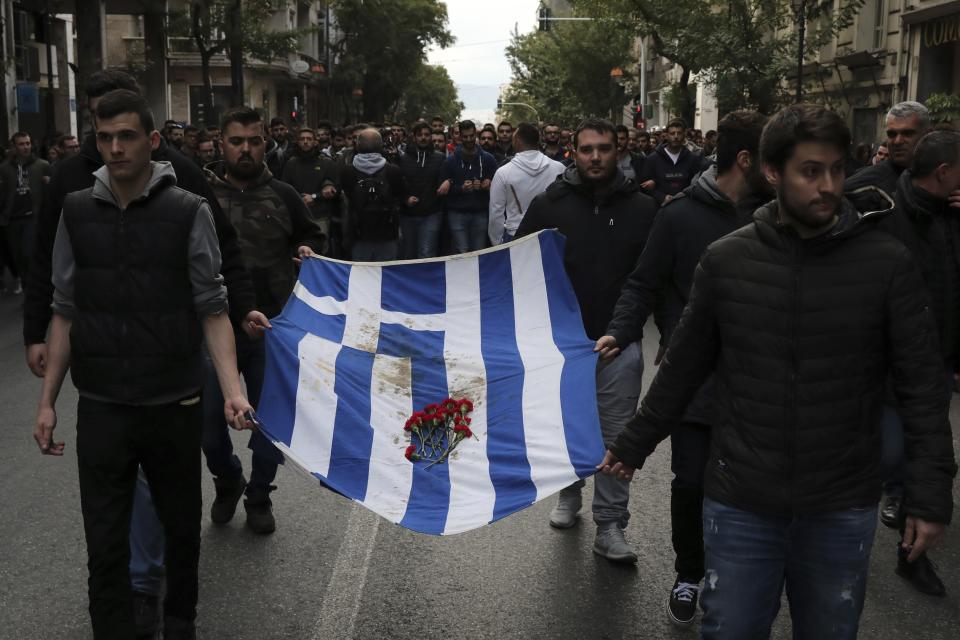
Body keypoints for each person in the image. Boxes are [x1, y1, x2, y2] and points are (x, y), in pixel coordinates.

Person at [599, 104, 957, 639]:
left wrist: (928, 496)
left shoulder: (885, 263)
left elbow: (922, 386)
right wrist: (634, 443)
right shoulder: (727, 261)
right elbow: (683, 366)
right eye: (811, 171)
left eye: (837, 169)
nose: (829, 185)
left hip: (841, 505)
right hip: (742, 501)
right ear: (772, 171)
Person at [34, 88, 256, 640]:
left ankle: (180, 625)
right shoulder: (76, 210)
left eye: (127, 136)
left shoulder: (188, 210)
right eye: (105, 137)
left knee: (181, 533)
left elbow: (212, 307)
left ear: (152, 141)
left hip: (173, 401)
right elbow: (64, 310)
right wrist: (46, 404)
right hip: (103, 405)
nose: (115, 148)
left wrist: (232, 389)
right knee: (104, 540)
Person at [596, 110, 772, 625]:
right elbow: (643, 282)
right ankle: (689, 575)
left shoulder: (781, 215)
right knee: (691, 481)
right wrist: (622, 329)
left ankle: (736, 578)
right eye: (773, 158)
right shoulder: (677, 217)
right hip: (693, 379)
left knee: (749, 490)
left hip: (761, 383)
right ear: (747, 160)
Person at [516, 118, 657, 563]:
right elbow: (518, 267)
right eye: (586, 149)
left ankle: (611, 524)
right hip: (561, 348)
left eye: (604, 148)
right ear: (572, 153)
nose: (595, 156)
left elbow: (652, 279)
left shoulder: (644, 209)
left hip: (620, 345)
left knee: (616, 436)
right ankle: (568, 494)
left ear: (620, 150)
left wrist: (632, 329)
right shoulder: (547, 205)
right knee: (563, 431)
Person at [203, 106, 324, 534]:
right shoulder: (200, 196)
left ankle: (258, 493)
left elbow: (311, 233)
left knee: (270, 421)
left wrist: (308, 249)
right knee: (207, 424)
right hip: (213, 326)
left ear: (265, 143)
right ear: (222, 143)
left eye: (254, 141)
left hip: (273, 327)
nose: (246, 149)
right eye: (237, 141)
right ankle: (227, 477)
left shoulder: (284, 194)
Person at [867, 130, 960, 597]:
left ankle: (911, 553)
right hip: (886, 370)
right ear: (943, 173)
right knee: (889, 456)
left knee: (925, 457)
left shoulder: (949, 214)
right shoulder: (882, 212)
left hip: (935, 363)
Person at [488, 122, 564, 245]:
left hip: (515, 236)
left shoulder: (503, 173)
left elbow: (496, 213)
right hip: (551, 236)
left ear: (517, 141)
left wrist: (497, 243)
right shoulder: (559, 168)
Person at [340, 127, 406, 261]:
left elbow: (348, 194)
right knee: (386, 274)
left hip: (359, 233)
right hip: (387, 232)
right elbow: (400, 193)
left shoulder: (348, 171)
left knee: (362, 275)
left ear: (357, 145)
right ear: (381, 145)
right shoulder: (393, 170)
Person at [846, 101, 931, 196]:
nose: (898, 141)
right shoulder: (864, 185)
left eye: (907, 133)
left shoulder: (944, 178)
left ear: (927, 135)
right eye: (892, 134)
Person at [0, 132, 49, 293]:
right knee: (17, 256)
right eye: (21, 144)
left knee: (29, 253)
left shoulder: (41, 165)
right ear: (13, 147)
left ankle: (35, 289)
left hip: (32, 217)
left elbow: (50, 191)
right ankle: (28, 288)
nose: (26, 147)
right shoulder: (5, 168)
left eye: (28, 143)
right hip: (12, 218)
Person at [439, 120, 497, 253]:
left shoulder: (488, 159)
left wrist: (487, 185)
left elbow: (499, 184)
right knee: (462, 251)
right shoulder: (450, 161)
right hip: (457, 213)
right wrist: (461, 189)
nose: (469, 139)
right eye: (465, 136)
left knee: (479, 251)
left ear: (475, 134)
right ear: (460, 137)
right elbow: (441, 190)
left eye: (471, 136)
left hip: (480, 212)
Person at [281, 127, 340, 255]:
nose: (306, 142)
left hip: (320, 215)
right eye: (302, 139)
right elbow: (285, 188)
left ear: (315, 142)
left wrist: (315, 196)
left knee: (320, 252)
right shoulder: (291, 163)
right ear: (297, 142)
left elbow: (336, 189)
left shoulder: (326, 163)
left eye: (309, 139)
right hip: (298, 215)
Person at [398, 121, 447, 258]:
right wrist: (405, 199)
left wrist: (449, 181)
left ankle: (426, 279)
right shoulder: (402, 159)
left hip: (431, 213)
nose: (423, 138)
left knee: (426, 253)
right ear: (414, 137)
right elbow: (397, 185)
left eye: (426, 134)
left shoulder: (440, 158)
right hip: (408, 214)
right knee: (409, 253)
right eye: (420, 135)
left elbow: (448, 177)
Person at [640, 118, 704, 205]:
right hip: (659, 208)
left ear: (684, 135)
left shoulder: (692, 159)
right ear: (666, 135)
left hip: (685, 207)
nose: (676, 136)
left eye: (679, 133)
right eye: (672, 133)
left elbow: (698, 185)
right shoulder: (652, 159)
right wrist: (661, 197)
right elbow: (644, 187)